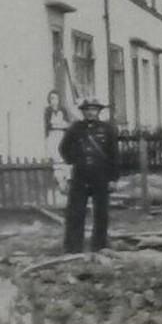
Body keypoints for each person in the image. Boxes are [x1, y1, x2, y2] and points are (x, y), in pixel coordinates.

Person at [59, 96, 119, 253]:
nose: (91, 112)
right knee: (75, 212)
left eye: (94, 109)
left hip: (101, 176)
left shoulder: (108, 130)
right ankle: (73, 247)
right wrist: (75, 159)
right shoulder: (75, 129)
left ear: (99, 111)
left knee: (101, 213)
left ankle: (99, 246)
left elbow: (114, 155)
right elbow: (64, 148)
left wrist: (113, 179)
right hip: (81, 175)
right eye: (88, 110)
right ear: (83, 112)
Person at [43, 90, 71, 199]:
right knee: (55, 159)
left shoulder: (63, 110)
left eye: (56, 98)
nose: (54, 101)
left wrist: (61, 125)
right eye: (51, 99)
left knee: (63, 158)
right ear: (49, 100)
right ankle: (59, 184)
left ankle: (66, 183)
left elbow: (67, 124)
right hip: (52, 137)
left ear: (59, 100)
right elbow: (47, 125)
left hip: (61, 136)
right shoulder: (47, 111)